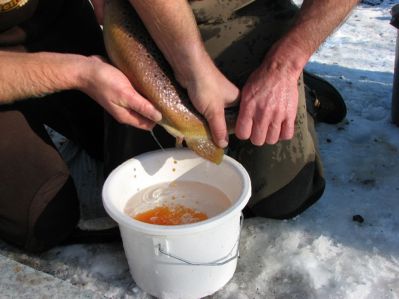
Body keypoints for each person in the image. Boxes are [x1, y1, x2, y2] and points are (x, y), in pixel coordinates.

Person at [0, 0, 357, 253]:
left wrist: (281, 66)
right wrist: (78, 73)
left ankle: (282, 81)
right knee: (43, 218)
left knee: (284, 197)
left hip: (51, 18)